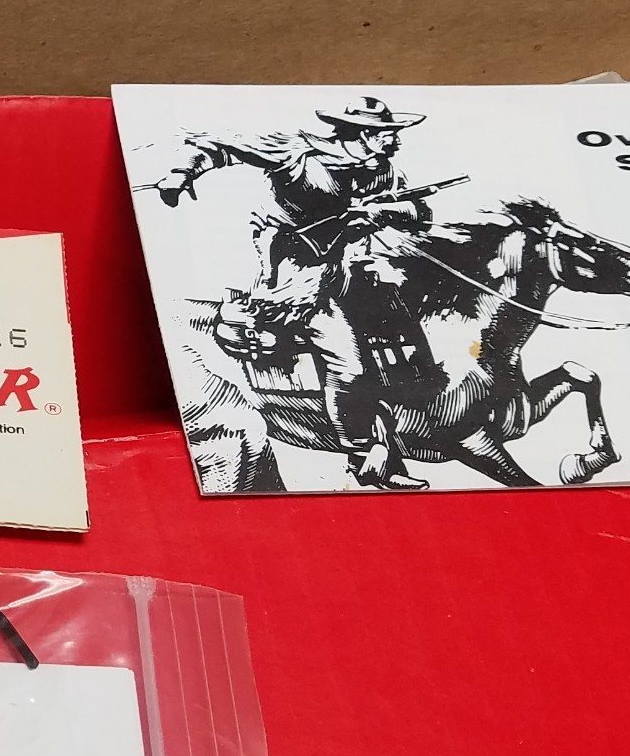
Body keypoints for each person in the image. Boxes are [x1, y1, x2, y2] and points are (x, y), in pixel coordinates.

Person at [154, 96, 440, 488]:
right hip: (295, 272)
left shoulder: (384, 170)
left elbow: (420, 213)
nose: (395, 141)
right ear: (362, 133)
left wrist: (381, 212)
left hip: (348, 266)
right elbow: (217, 148)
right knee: (349, 366)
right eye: (387, 133)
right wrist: (180, 175)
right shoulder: (297, 152)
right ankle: (363, 456)